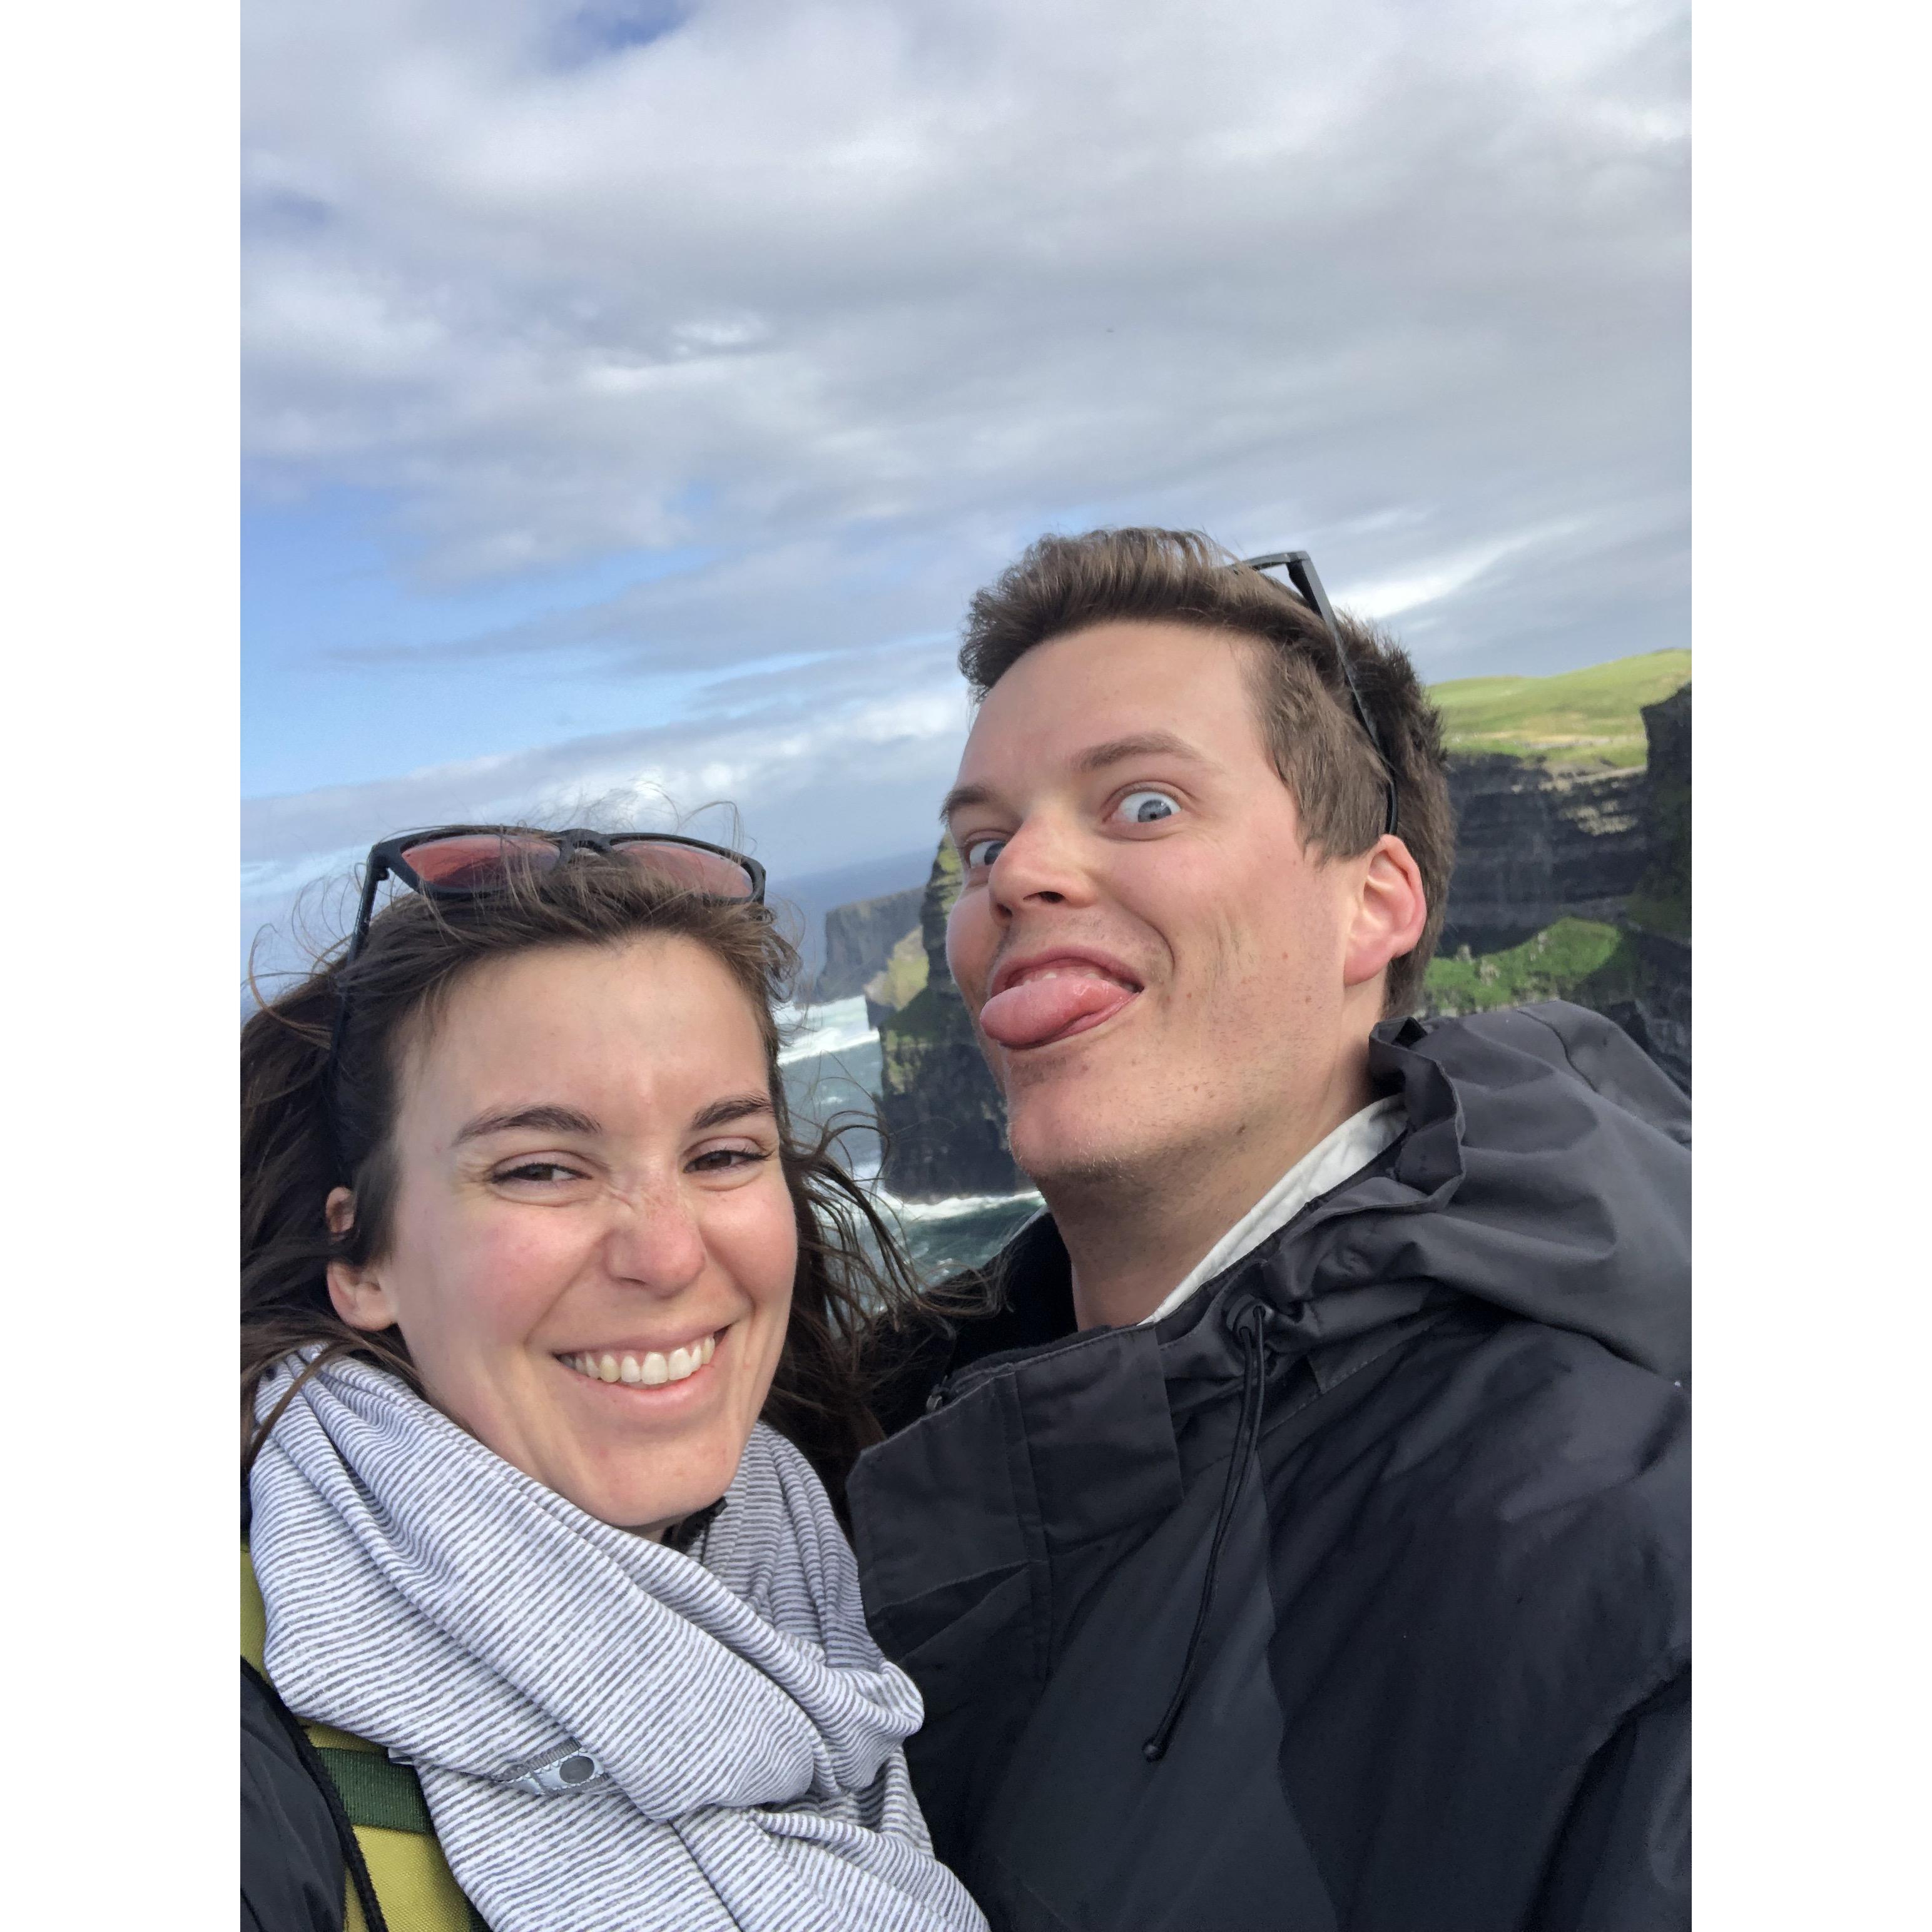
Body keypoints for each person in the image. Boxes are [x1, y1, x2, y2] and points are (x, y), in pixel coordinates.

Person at [847, 531, 1690, 1931]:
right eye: (981, 843)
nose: (1016, 874)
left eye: (1144, 803)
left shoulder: (1634, 1583)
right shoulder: (881, 1434)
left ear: (1373, 904)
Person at [240, 827, 987, 1932]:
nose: (668, 1255)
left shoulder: (831, 1563)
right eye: (541, 1169)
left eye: (723, 1154)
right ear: (364, 1261)